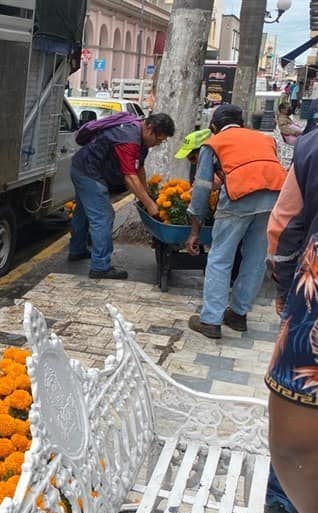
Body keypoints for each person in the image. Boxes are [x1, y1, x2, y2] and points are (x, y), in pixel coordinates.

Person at [185, 104, 286, 339]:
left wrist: (194, 232)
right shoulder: (264, 139)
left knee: (220, 259)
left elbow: (201, 190)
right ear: (242, 122)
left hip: (238, 200)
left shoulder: (214, 143)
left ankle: (210, 320)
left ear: (213, 127)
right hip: (273, 198)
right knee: (255, 259)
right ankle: (238, 315)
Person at [265, 131, 318, 513]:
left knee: (297, 432)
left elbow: (283, 229)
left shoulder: (312, 147)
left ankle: (282, 501)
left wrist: (285, 292)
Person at [68, 113, 175, 279]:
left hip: (83, 167)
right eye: (158, 139)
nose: (157, 144)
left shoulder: (139, 135)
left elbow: (139, 169)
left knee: (83, 212)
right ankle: (101, 266)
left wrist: (147, 195)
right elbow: (130, 177)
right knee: (103, 216)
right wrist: (150, 205)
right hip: (88, 173)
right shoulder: (129, 139)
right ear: (149, 128)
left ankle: (77, 249)